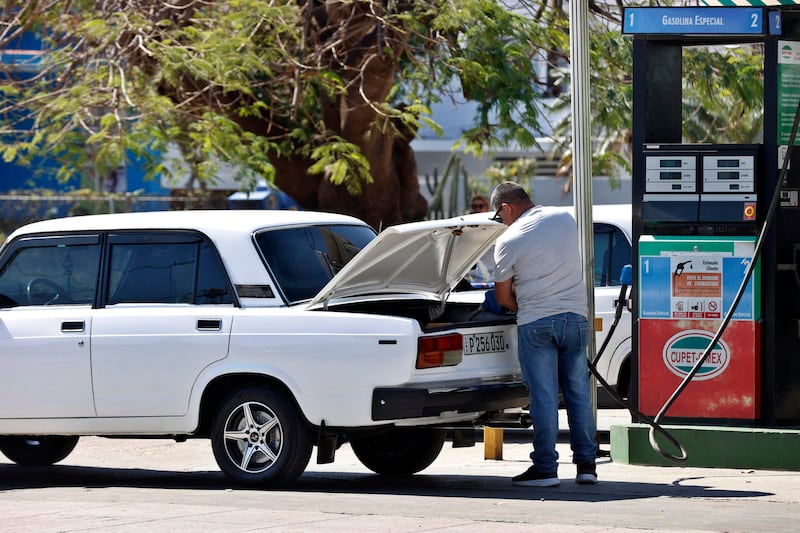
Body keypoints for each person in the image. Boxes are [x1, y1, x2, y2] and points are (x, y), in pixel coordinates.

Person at [488, 181, 598, 487]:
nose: (501, 222)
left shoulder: (509, 239)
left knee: (545, 398)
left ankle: (546, 469)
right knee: (578, 395)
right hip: (576, 318)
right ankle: (587, 466)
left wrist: (519, 302)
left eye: (500, 216)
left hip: (537, 322)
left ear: (506, 208)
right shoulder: (563, 217)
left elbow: (503, 298)